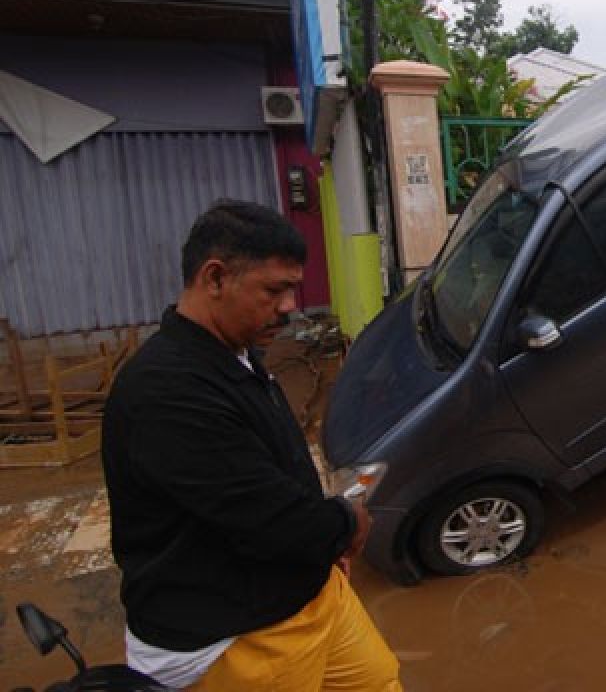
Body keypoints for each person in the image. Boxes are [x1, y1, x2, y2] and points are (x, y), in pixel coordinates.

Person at [102, 200, 401, 690]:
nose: (289, 306)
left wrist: (323, 545)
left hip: (304, 592)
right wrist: (345, 522)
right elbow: (266, 517)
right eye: (274, 290)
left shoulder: (233, 352)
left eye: (293, 289)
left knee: (379, 680)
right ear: (215, 278)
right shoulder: (167, 391)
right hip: (234, 634)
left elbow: (270, 473)